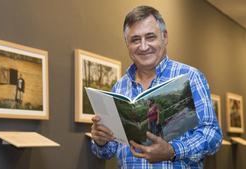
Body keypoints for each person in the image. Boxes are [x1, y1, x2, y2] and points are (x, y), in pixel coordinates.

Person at [91, 5, 222, 168]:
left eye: (150, 37)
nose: (144, 46)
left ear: (165, 37)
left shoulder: (190, 77)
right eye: (135, 40)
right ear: (127, 43)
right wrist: (100, 141)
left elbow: (212, 135)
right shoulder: (118, 88)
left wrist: (173, 151)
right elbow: (107, 152)